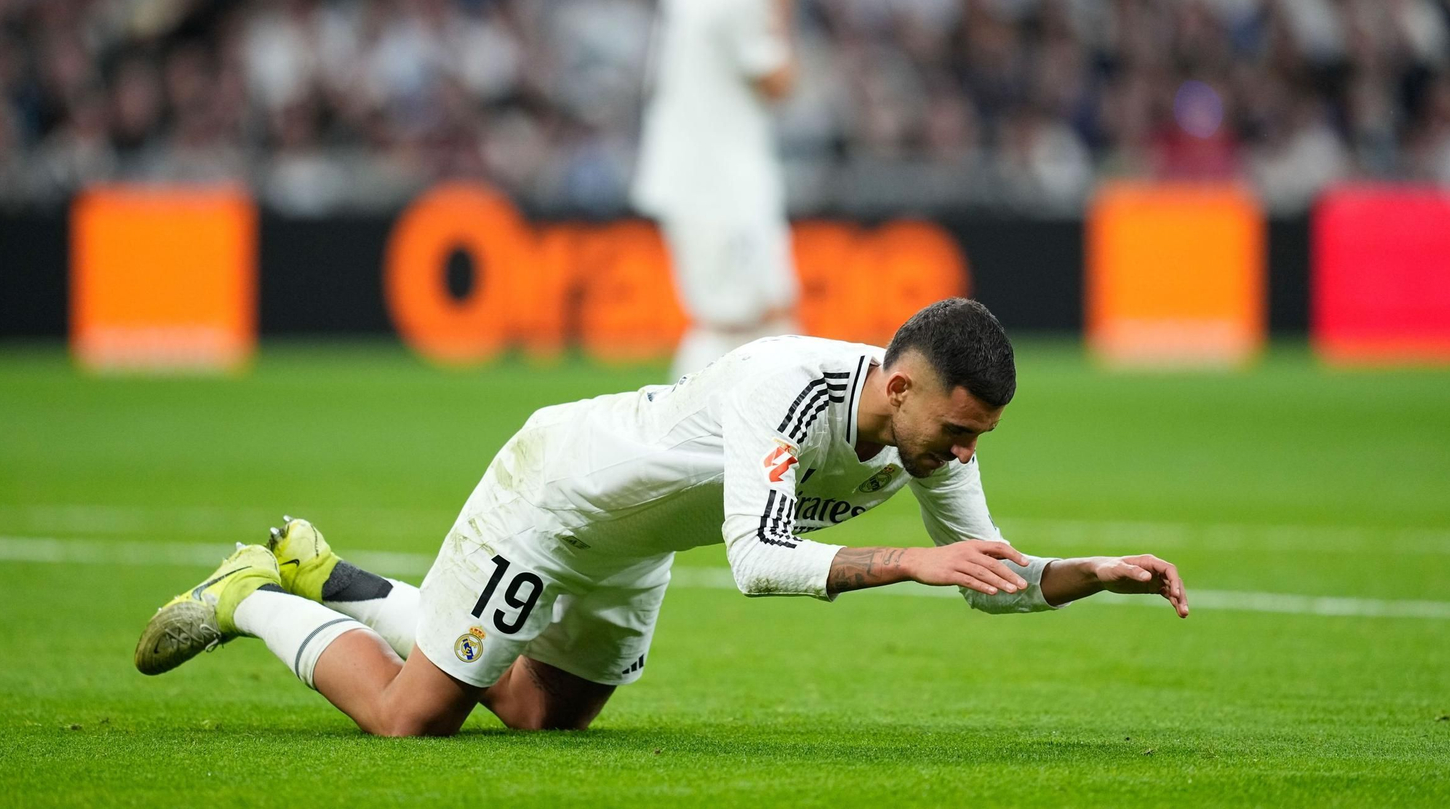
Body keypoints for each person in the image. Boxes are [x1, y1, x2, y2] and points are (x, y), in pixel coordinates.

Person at [135, 298, 1189, 736]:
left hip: (636, 547)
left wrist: (1089, 574)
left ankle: (332, 577)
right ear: (900, 386)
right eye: (957, 432)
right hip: (556, 500)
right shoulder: (789, 384)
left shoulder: (927, 439)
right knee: (414, 717)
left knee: (542, 715)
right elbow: (756, 561)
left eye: (978, 440)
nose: (962, 457)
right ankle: (251, 595)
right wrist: (905, 563)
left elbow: (988, 578)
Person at [631, 0, 805, 380]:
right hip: (716, 176)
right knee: (732, 318)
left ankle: (778, 425)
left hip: (711, 167)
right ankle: (675, 424)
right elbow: (778, 82)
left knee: (768, 311)